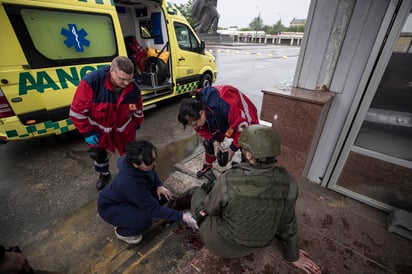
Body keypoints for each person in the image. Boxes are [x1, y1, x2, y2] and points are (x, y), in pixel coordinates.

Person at [176, 125, 321, 273]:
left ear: (250, 156)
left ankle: (168, 205)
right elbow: (288, 222)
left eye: (243, 149)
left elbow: (211, 210)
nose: (241, 151)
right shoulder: (289, 182)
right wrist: (293, 255)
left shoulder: (229, 179)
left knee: (196, 192)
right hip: (259, 245)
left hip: (221, 245)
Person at [97, 140, 198, 244]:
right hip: (111, 208)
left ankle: (130, 216)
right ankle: (122, 232)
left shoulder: (145, 164)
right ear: (135, 164)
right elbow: (153, 209)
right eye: (150, 162)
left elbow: (152, 172)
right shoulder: (130, 183)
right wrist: (182, 216)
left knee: (164, 196)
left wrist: (159, 185)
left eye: (154, 159)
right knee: (144, 221)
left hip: (130, 198)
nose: (154, 163)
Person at [70, 56, 144, 190]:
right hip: (99, 131)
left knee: (131, 154)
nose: (127, 83)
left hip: (124, 130)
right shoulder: (92, 82)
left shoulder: (134, 89)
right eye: (122, 79)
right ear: (111, 71)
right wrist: (87, 132)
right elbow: (77, 112)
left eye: (129, 79)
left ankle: (131, 175)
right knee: (98, 154)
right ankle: (104, 174)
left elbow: (137, 108)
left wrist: (137, 122)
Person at [177, 85, 259, 178]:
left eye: (195, 124)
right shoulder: (195, 104)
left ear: (201, 113)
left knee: (247, 145)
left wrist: (232, 149)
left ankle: (245, 167)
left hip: (245, 117)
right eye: (192, 125)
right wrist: (215, 143)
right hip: (217, 117)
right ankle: (208, 165)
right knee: (209, 143)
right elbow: (202, 130)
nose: (195, 127)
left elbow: (244, 130)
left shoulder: (224, 105)